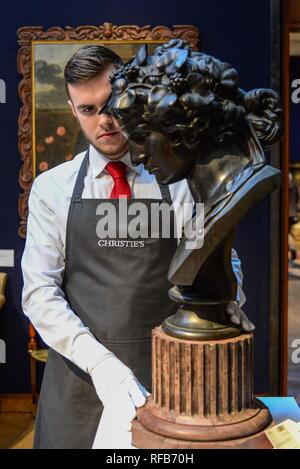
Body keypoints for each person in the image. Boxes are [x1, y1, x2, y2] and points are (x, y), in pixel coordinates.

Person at [21, 45, 246, 449]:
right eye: (88, 110)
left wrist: (227, 300)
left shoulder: (180, 179)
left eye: (110, 105)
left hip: (169, 380)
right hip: (82, 382)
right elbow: (40, 293)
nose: (104, 121)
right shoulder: (51, 188)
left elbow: (220, 258)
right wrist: (103, 364)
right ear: (73, 111)